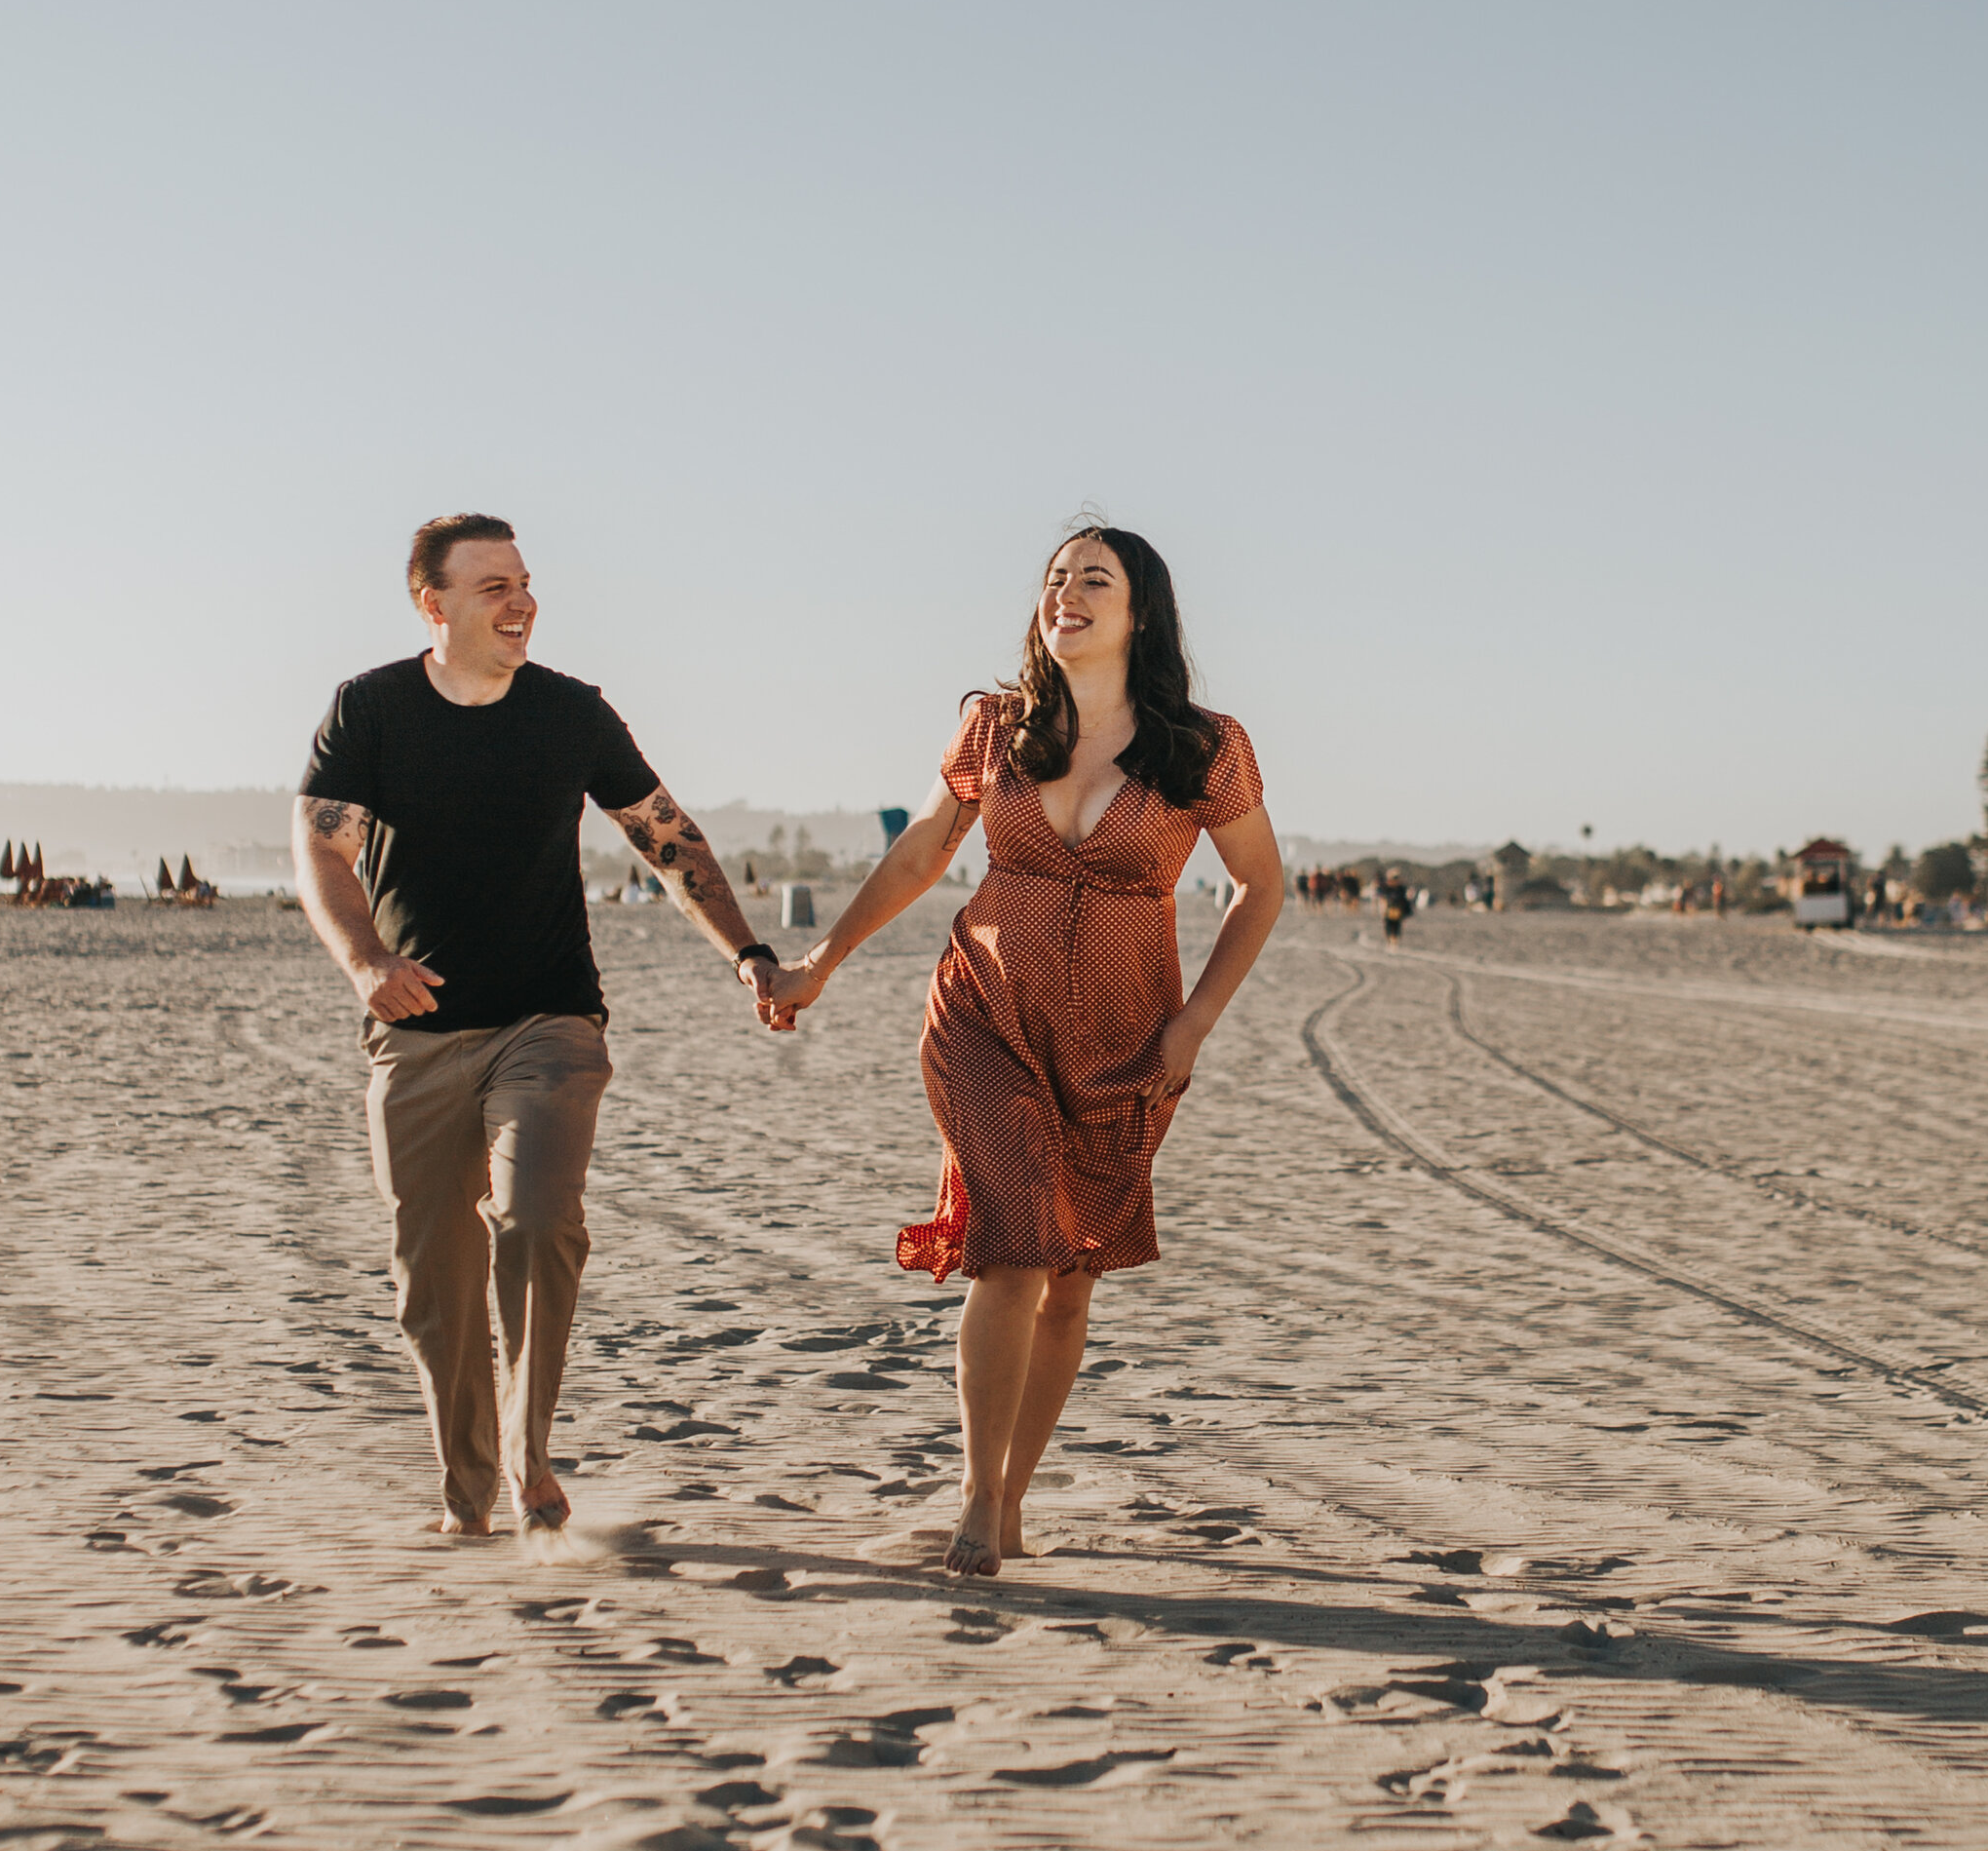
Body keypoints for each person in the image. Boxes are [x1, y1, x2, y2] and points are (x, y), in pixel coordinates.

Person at [759, 522, 1283, 1579]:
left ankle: (1014, 1495)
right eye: (1055, 578)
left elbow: (1259, 888)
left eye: (1095, 580)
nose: (1068, 594)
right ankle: (977, 1502)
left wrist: (1193, 1028)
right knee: (1014, 1245)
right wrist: (821, 960)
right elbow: (922, 853)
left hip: (1127, 1035)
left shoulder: (1203, 747)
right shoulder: (996, 726)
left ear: (1142, 613)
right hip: (984, 1012)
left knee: (1073, 1273)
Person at [292, 513, 782, 1537]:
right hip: (418, 1030)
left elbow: (665, 836)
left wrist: (749, 953)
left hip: (550, 1021)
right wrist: (366, 963)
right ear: (433, 605)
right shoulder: (370, 709)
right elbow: (322, 854)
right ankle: (468, 1485)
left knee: (536, 1221)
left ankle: (528, 1450)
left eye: (523, 583)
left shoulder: (571, 715)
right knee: (432, 1278)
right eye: (491, 589)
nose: (521, 604)